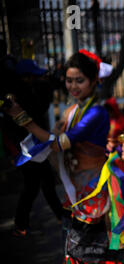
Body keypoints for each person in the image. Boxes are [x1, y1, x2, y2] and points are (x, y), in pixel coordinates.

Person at [5, 51, 124, 264]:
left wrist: (23, 119)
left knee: (105, 258)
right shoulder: (70, 112)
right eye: (69, 80)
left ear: (93, 81)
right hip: (78, 196)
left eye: (80, 80)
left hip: (97, 196)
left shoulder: (96, 113)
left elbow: (61, 143)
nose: (73, 86)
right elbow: (54, 142)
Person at [7, 59, 67, 237]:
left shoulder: (25, 92)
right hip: (27, 148)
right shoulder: (19, 96)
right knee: (35, 184)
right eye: (34, 77)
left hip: (34, 145)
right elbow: (36, 110)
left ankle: (56, 217)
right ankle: (22, 223)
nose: (37, 80)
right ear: (25, 78)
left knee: (42, 182)